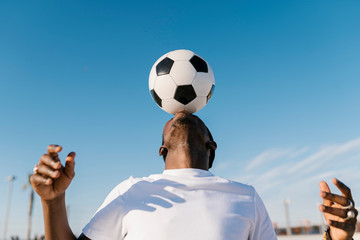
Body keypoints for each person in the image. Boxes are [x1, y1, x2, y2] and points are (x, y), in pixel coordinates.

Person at [30, 111, 357, 240]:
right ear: (161, 150)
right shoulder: (132, 190)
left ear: (211, 146)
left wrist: (339, 239)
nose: (179, 112)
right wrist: (53, 202)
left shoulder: (246, 196)